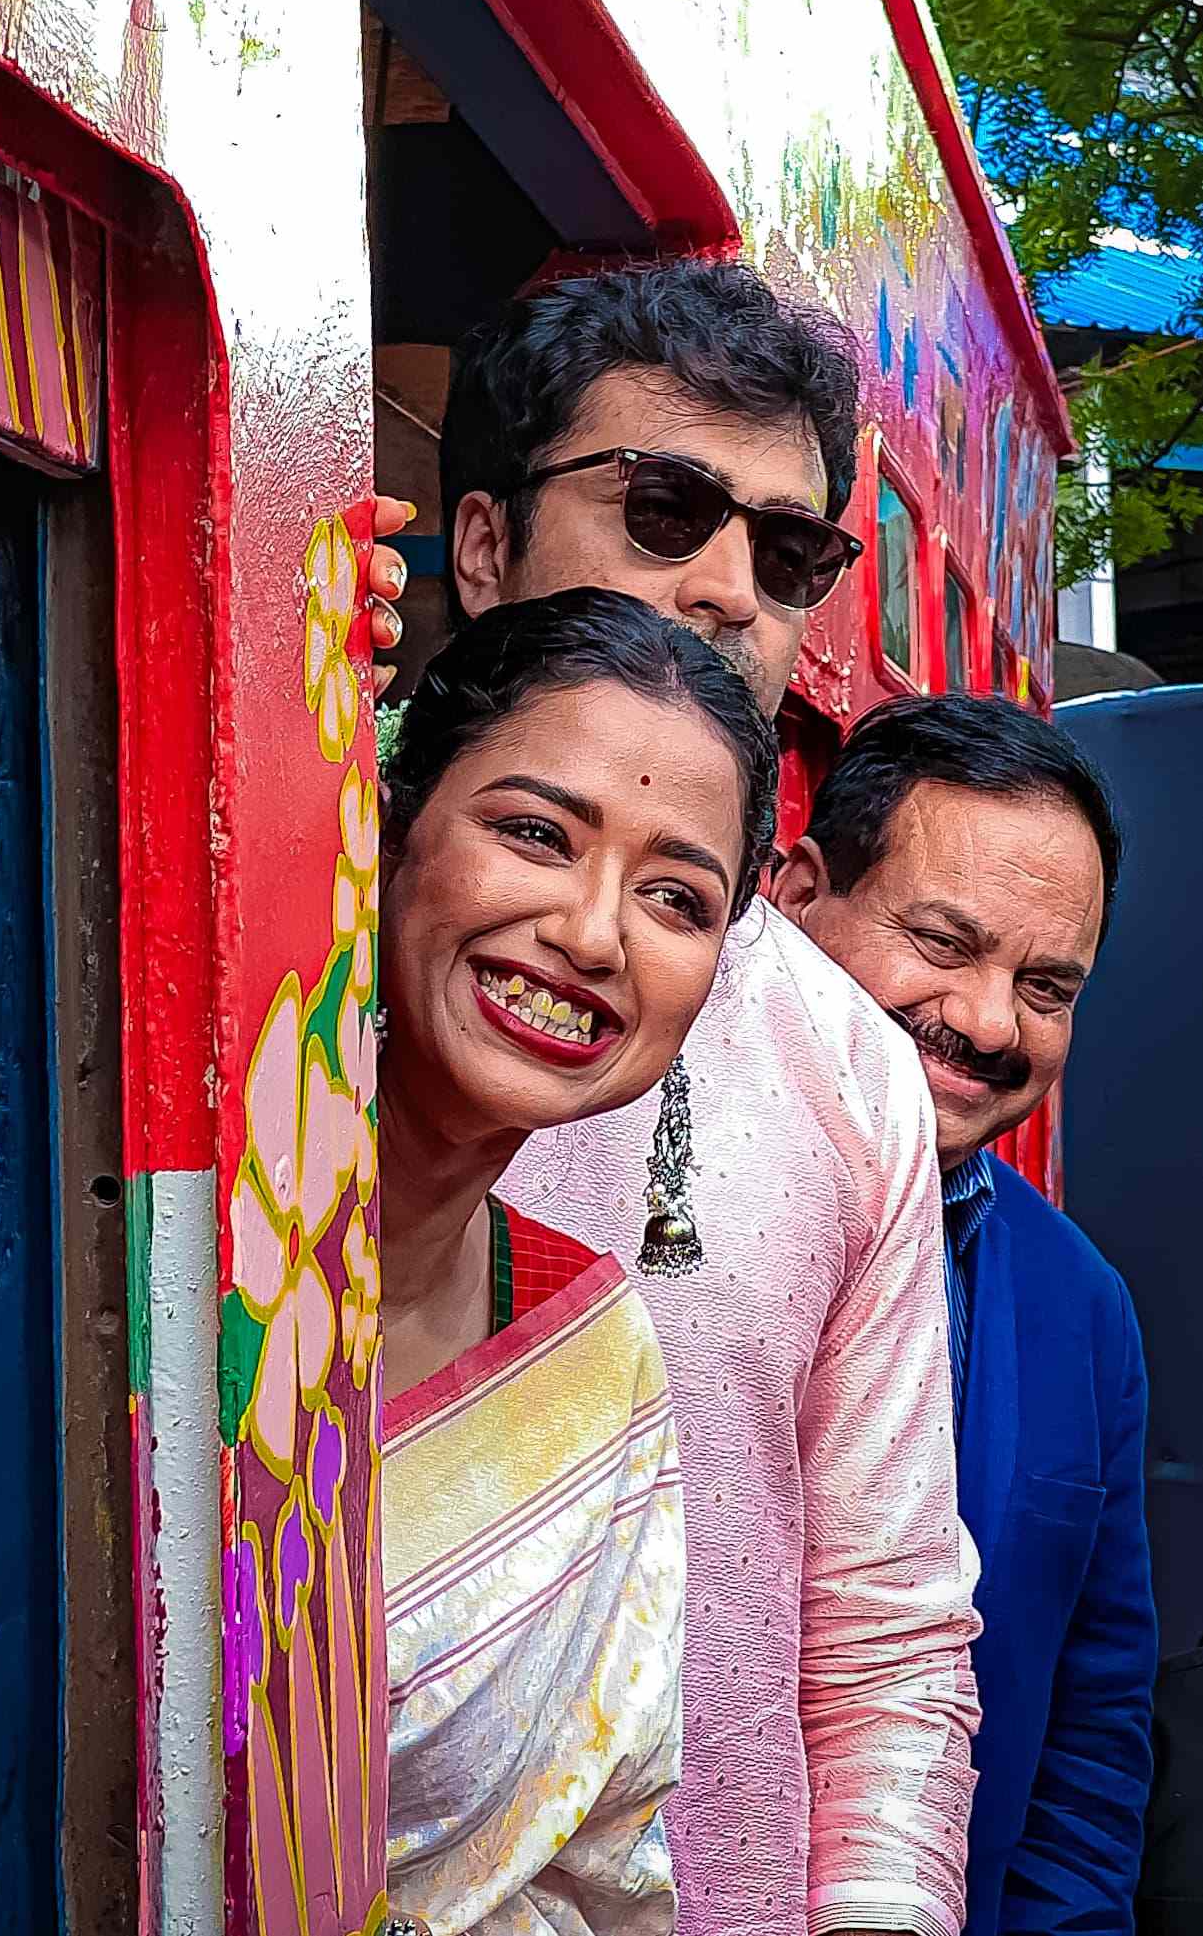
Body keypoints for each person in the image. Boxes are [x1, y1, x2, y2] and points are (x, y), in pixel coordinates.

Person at [430, 260, 978, 1936]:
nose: (732, 586)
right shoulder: (260, 936)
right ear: (480, 547)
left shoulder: (849, 1069)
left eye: (789, 547)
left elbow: (883, 1619)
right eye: (664, 507)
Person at [378, 587, 778, 1936]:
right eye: (534, 834)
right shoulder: (93, 1195)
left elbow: (592, 1865)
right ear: (388, 826)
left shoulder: (591, 1352)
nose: (594, 935)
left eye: (676, 896)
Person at [774, 693, 1158, 1936]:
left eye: (1044, 984)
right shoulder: (626, 1195)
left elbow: (1090, 1730)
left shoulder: (1079, 1304)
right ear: (794, 896)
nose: (990, 1021)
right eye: (943, 941)